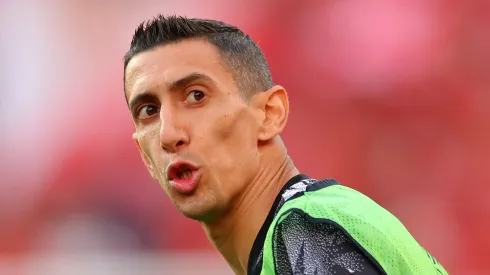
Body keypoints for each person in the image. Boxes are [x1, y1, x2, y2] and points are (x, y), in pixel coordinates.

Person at [122, 15, 448, 275]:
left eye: (196, 96)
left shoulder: (306, 232)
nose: (168, 134)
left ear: (269, 114)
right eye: (149, 111)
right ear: (145, 158)